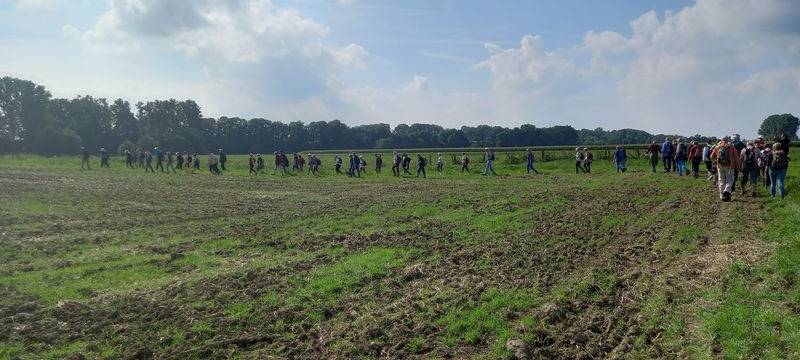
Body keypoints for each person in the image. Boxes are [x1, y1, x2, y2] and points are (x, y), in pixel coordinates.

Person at [710, 136, 739, 202]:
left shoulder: (717, 147)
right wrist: (737, 166)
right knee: (730, 180)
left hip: (720, 166)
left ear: (721, 140)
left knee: (721, 180)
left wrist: (715, 161)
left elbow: (711, 157)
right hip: (730, 166)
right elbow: (736, 157)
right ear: (728, 140)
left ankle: (721, 195)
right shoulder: (731, 146)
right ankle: (727, 190)